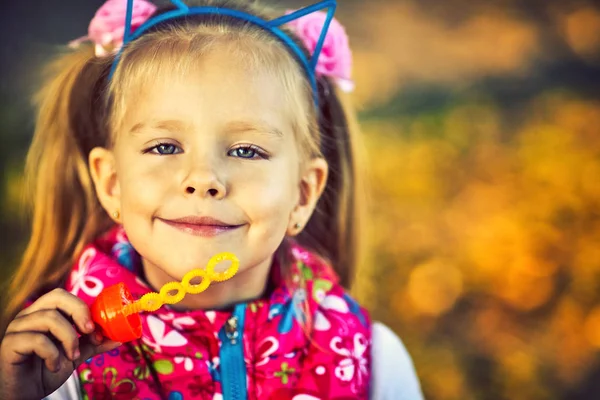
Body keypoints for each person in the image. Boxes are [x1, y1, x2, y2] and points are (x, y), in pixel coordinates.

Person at [0, 0, 424, 399]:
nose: (203, 180)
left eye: (246, 151)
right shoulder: (54, 363)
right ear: (112, 184)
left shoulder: (372, 362)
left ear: (302, 194)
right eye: (165, 146)